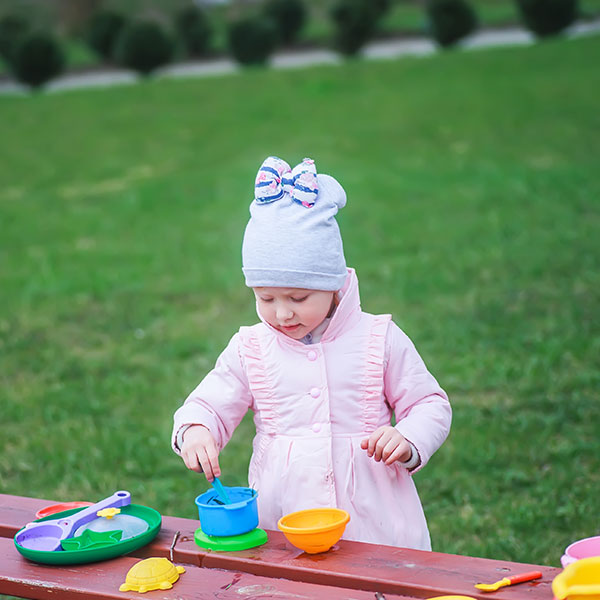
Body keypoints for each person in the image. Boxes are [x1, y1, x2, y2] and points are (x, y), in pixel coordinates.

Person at [172, 156, 451, 549]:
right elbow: (210, 402)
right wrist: (196, 428)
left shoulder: (378, 337)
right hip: (285, 516)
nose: (282, 313)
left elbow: (430, 404)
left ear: (334, 285)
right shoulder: (251, 347)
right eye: (266, 297)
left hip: (375, 521)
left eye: (299, 297)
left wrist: (408, 437)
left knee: (378, 588)